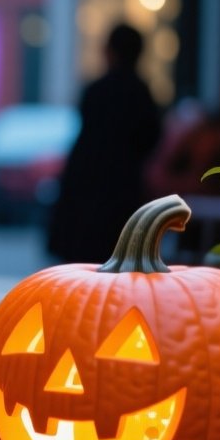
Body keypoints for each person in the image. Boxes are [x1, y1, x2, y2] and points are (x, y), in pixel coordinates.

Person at [48, 23, 163, 263]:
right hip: (124, 193)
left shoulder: (96, 91)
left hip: (86, 191)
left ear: (110, 51)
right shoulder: (142, 94)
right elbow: (150, 140)